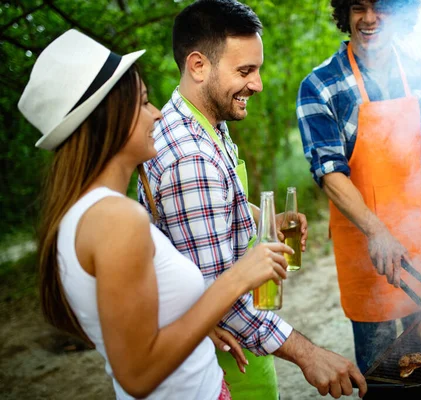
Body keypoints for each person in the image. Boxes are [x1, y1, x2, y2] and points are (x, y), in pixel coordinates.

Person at [18, 29, 294, 400]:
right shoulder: (116, 219)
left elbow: (134, 327)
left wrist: (194, 327)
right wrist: (238, 278)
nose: (157, 113)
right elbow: (138, 373)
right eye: (144, 102)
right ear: (108, 120)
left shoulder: (86, 214)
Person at [137, 0, 367, 399]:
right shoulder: (190, 157)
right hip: (225, 364)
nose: (257, 84)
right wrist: (308, 353)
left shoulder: (205, 122)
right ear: (198, 66)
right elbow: (216, 297)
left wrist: (261, 219)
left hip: (243, 340)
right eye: (245, 71)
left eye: (256, 69)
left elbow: (219, 203)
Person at [296, 0, 421, 374]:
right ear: (344, 12)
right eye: (359, 7)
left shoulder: (420, 73)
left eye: (383, 8)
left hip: (417, 238)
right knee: (383, 371)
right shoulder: (320, 85)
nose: (371, 19)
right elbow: (329, 172)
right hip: (365, 248)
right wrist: (377, 230)